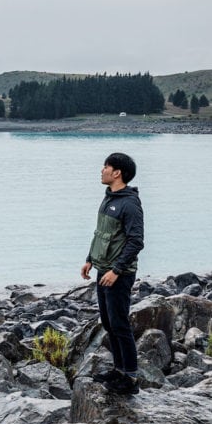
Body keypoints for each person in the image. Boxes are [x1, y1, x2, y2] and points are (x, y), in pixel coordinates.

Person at [81, 152, 144, 396]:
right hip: (102, 269)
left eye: (106, 166)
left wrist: (117, 270)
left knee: (120, 324)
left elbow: (136, 241)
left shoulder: (129, 203)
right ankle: (119, 371)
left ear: (117, 172)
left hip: (118, 274)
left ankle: (130, 377)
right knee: (109, 322)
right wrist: (89, 259)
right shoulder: (109, 198)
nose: (102, 170)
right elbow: (101, 233)